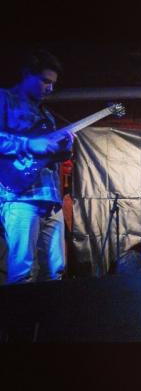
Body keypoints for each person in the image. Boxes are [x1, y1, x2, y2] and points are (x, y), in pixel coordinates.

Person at [0, 49, 74, 284]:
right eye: (45, 81)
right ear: (26, 74)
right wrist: (30, 144)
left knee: (56, 272)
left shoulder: (47, 115)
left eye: (53, 84)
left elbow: (48, 158)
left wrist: (65, 150)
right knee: (22, 272)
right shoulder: (4, 99)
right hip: (20, 197)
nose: (50, 88)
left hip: (50, 199)